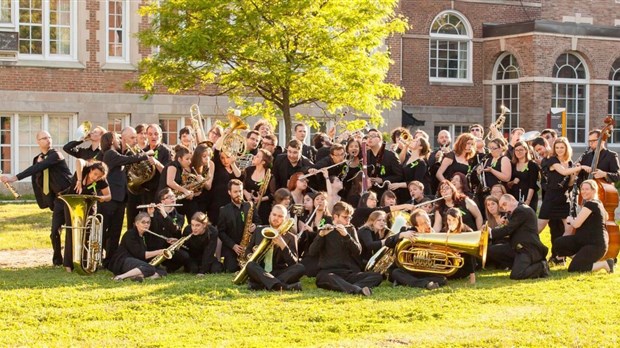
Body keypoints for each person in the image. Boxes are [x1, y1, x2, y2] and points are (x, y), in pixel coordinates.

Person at [1, 130, 72, 266]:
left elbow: (38, 167)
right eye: (44, 138)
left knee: (72, 230)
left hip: (69, 195)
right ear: (38, 142)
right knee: (54, 231)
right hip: (58, 199)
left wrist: (14, 178)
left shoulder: (56, 155)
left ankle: (72, 259)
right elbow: (37, 178)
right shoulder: (38, 158)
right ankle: (57, 260)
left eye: (49, 137)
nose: (48, 140)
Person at [99, 129, 152, 266]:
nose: (119, 140)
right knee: (105, 230)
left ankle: (109, 259)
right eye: (117, 138)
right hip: (111, 199)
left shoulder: (116, 153)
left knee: (115, 231)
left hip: (120, 199)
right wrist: (145, 155)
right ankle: (98, 257)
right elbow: (127, 160)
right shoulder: (110, 154)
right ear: (111, 141)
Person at [308, 202, 383, 296]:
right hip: (327, 272)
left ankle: (350, 287)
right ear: (335, 216)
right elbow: (312, 252)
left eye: (350, 217)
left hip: (346, 273)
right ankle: (357, 290)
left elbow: (358, 251)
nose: (348, 220)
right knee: (329, 278)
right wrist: (321, 236)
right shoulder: (325, 229)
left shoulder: (350, 229)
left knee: (377, 276)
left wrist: (346, 236)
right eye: (345, 217)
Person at [538, 137, 586, 260]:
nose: (559, 150)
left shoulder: (570, 163)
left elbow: (569, 184)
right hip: (551, 198)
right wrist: (580, 168)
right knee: (539, 228)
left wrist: (574, 176)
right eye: (557, 147)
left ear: (566, 149)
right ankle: (525, 247)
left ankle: (559, 254)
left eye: (562, 147)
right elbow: (563, 172)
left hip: (564, 198)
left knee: (569, 228)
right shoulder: (552, 160)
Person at [61, 160, 111, 272]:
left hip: (89, 208)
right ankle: (68, 264)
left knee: (87, 235)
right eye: (95, 174)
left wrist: (102, 198)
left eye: (99, 176)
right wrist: (79, 180)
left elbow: (109, 196)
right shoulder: (84, 170)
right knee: (71, 233)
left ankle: (85, 262)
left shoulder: (101, 180)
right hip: (72, 205)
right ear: (91, 170)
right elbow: (79, 161)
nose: (96, 178)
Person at [556, 180, 614, 273]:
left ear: (594, 191)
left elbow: (576, 224)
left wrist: (570, 219)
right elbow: (606, 217)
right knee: (559, 243)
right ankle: (580, 259)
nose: (583, 191)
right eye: (582, 189)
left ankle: (605, 264)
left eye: (587, 189)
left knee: (574, 268)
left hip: (595, 245)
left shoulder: (591, 204)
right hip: (584, 241)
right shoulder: (598, 203)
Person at [487, 194, 550, 279]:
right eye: (502, 206)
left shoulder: (521, 210)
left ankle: (541, 266)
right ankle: (517, 265)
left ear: (512, 200)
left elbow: (508, 230)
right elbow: (512, 229)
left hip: (527, 249)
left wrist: (491, 232)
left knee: (516, 275)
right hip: (516, 247)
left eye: (505, 204)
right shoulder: (516, 211)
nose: (504, 208)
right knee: (492, 250)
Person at [244, 204, 306, 291]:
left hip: (279, 272)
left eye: (280, 216)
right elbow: (248, 250)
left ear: (285, 220)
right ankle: (282, 287)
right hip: (261, 270)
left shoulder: (291, 237)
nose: (276, 218)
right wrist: (251, 255)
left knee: (300, 267)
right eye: (274, 215)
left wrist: (283, 245)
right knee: (250, 265)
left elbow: (294, 263)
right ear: (270, 215)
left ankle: (264, 285)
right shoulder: (258, 230)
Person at [107, 212, 168, 282]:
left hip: (137, 261)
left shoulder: (145, 235)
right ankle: (120, 277)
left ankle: (136, 277)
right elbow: (141, 254)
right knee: (149, 268)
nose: (146, 225)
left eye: (148, 223)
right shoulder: (130, 234)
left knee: (162, 271)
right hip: (123, 261)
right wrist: (160, 252)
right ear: (137, 224)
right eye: (143, 222)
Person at [217, 179, 258, 272]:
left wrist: (255, 225)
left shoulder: (250, 206)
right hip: (232, 247)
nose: (238, 194)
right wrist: (233, 246)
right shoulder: (224, 210)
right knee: (232, 268)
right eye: (235, 192)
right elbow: (221, 232)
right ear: (229, 192)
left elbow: (258, 221)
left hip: (248, 246)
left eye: (240, 191)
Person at [145, 188, 188, 273]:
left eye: (173, 196)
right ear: (162, 201)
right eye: (169, 197)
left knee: (185, 256)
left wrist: (165, 215)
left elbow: (175, 230)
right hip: (155, 246)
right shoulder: (155, 213)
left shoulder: (180, 217)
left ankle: (169, 268)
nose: (173, 198)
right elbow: (152, 230)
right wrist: (151, 215)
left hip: (170, 248)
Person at [365, 128, 403, 198]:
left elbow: (399, 176)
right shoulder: (365, 155)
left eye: (373, 136)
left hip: (386, 193)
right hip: (371, 193)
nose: (370, 138)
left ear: (380, 139)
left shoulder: (391, 155)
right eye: (368, 136)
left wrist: (382, 180)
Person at [442, 208, 477, 284]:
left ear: (459, 220)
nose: (451, 222)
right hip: (449, 265)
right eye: (449, 220)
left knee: (467, 250)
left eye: (454, 220)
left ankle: (472, 277)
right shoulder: (444, 231)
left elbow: (470, 255)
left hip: (463, 267)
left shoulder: (467, 232)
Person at [243, 148, 274, 224]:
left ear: (263, 162)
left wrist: (261, 199)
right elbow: (241, 186)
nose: (254, 157)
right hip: (247, 206)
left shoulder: (269, 174)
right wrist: (246, 193)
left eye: (257, 156)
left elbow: (273, 194)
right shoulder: (248, 170)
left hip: (262, 209)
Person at [507, 140, 540, 209]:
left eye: (521, 150)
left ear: (526, 150)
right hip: (515, 197)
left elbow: (532, 185)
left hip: (529, 197)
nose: (518, 152)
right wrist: (513, 182)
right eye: (516, 150)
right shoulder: (512, 164)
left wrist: (527, 201)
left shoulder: (532, 165)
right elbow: (508, 184)